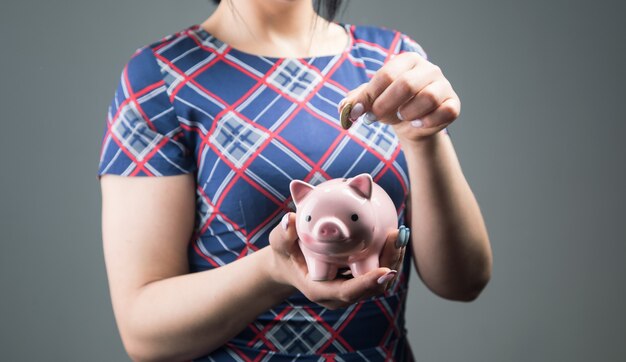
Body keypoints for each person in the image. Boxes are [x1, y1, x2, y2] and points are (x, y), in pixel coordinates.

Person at [97, 0, 493, 360]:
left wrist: (422, 137)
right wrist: (273, 271)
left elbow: (463, 281)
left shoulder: (392, 62)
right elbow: (144, 334)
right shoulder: (159, 78)